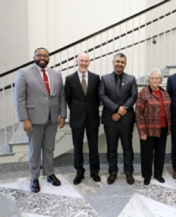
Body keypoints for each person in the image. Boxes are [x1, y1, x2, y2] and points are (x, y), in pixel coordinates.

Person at [14, 48, 66, 193]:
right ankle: (34, 178)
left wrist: (62, 115)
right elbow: (19, 98)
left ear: (49, 58)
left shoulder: (56, 74)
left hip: (52, 117)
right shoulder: (24, 73)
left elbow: (61, 96)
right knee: (35, 150)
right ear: (34, 57)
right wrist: (24, 119)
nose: (42, 57)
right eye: (39, 55)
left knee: (49, 148)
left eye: (45, 55)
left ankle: (49, 174)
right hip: (34, 119)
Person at [98, 53, 138, 185]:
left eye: (122, 62)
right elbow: (102, 96)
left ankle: (128, 173)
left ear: (125, 64)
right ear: (113, 62)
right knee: (111, 148)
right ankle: (112, 172)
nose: (120, 64)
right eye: (118, 61)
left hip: (126, 120)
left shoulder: (131, 79)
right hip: (110, 119)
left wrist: (120, 112)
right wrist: (116, 108)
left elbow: (133, 96)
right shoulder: (104, 79)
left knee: (128, 147)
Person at [65, 53, 101, 185]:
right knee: (78, 146)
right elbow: (68, 98)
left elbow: (98, 97)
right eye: (82, 60)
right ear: (76, 61)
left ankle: (94, 171)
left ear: (89, 63)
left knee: (93, 146)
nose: (84, 63)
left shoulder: (96, 78)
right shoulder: (69, 79)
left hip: (92, 117)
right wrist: (77, 109)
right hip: (77, 117)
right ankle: (79, 171)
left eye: (86, 61)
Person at [135, 68, 172, 185]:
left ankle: (158, 174)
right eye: (152, 78)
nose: (155, 80)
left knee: (160, 153)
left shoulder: (165, 93)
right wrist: (142, 132)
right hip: (149, 129)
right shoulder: (143, 93)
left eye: (157, 78)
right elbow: (138, 113)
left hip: (163, 128)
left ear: (160, 80)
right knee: (147, 153)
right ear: (149, 80)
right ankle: (147, 175)